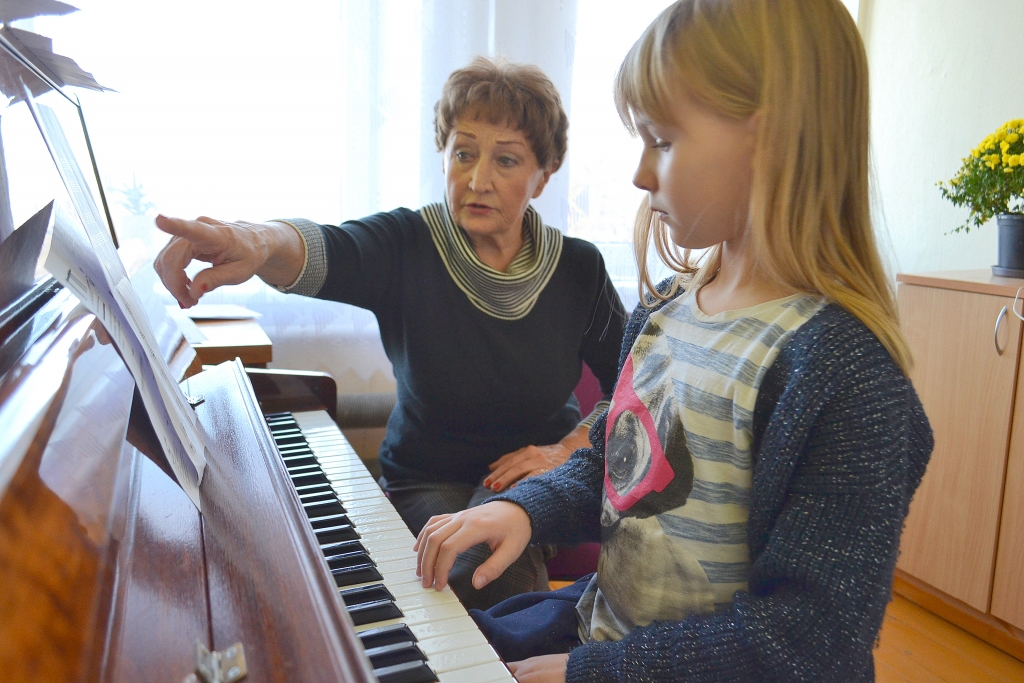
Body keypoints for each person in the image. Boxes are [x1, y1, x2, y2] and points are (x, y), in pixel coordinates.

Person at [413, 1, 935, 681]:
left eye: (661, 139)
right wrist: (525, 507)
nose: (639, 173)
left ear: (770, 136)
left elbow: (810, 638)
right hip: (604, 633)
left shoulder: (844, 374)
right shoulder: (662, 311)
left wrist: (594, 673)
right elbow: (613, 470)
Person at [153, 57, 627, 610]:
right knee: (472, 569)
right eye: (463, 153)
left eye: (506, 160)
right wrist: (256, 240)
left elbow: (638, 380)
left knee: (492, 564)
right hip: (430, 479)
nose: (477, 180)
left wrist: (569, 447)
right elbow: (328, 248)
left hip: (537, 480)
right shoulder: (408, 243)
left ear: (544, 175)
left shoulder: (579, 269)